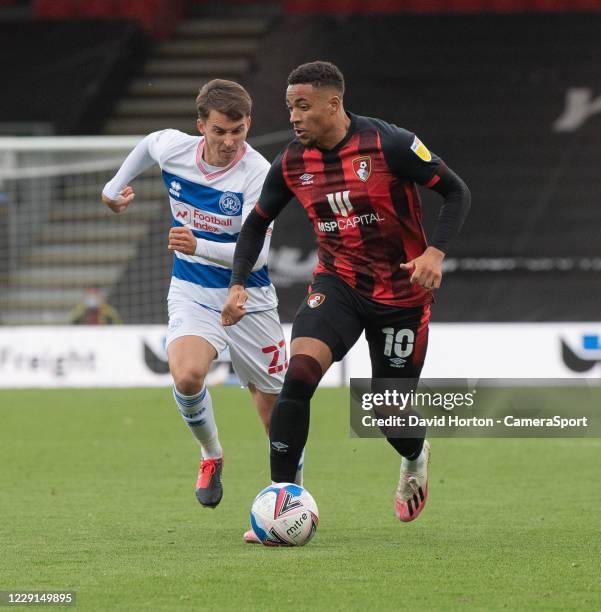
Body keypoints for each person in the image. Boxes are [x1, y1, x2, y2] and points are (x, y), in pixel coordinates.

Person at [222, 61, 471, 525]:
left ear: (332, 104)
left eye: (303, 106)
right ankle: (281, 500)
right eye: (289, 106)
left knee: (387, 413)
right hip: (337, 284)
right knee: (297, 377)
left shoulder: (389, 143)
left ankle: (415, 456)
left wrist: (434, 253)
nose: (293, 117)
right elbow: (256, 222)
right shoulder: (293, 162)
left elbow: (456, 192)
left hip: (401, 295)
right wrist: (238, 283)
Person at [101, 80, 303, 536]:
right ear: (201, 127)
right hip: (192, 290)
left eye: (239, 130)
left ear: (248, 124)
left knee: (276, 411)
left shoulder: (258, 172)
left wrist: (199, 244)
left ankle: (286, 503)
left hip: (249, 297)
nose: (230, 141)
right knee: (188, 376)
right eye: (220, 131)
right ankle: (211, 454)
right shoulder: (176, 149)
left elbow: (260, 255)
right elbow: (150, 144)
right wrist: (114, 188)